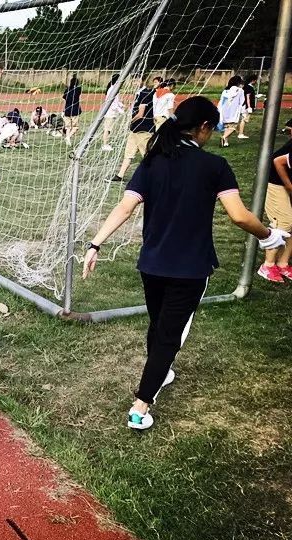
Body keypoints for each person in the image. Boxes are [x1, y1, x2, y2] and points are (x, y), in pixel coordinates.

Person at [83, 96, 289, 430]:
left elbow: (125, 206)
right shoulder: (214, 165)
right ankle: (140, 407)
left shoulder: (153, 161)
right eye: (214, 127)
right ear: (204, 127)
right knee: (168, 336)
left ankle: (159, 372)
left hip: (152, 265)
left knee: (160, 326)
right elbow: (238, 216)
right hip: (190, 269)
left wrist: (95, 244)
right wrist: (268, 235)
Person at [258, 118, 292, 282]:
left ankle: (283, 263)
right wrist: (290, 186)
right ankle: (268, 266)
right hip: (275, 181)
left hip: (287, 181)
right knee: (284, 222)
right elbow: (278, 162)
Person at [111, 75, 155, 182]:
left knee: (148, 155)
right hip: (135, 129)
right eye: (133, 80)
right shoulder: (139, 93)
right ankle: (120, 175)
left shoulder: (145, 93)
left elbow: (140, 114)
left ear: (143, 80)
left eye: (137, 80)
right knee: (128, 153)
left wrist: (129, 122)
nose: (134, 83)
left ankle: (156, 175)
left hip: (143, 129)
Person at [217, 75, 245, 147]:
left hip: (224, 110)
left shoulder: (225, 91)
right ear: (238, 83)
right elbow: (242, 102)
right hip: (234, 111)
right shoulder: (240, 91)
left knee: (227, 126)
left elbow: (221, 100)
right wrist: (243, 111)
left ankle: (226, 142)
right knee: (233, 126)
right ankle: (223, 137)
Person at [101, 74, 125, 151]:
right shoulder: (112, 89)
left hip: (112, 113)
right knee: (107, 129)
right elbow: (111, 103)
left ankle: (106, 143)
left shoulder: (115, 89)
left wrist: (121, 105)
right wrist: (120, 110)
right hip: (110, 113)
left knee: (109, 129)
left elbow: (116, 101)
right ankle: (105, 145)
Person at [62, 75, 82, 146]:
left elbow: (64, 100)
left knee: (68, 127)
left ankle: (68, 140)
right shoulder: (78, 89)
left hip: (67, 110)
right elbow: (78, 90)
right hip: (75, 111)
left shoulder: (67, 90)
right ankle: (68, 137)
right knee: (75, 127)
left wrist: (63, 110)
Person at [238, 74, 258, 140]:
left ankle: (240, 132)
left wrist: (256, 96)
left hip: (245, 105)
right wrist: (249, 107)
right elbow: (247, 97)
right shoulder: (249, 87)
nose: (256, 82)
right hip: (246, 106)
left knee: (243, 119)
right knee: (244, 119)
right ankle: (240, 133)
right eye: (256, 80)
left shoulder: (246, 87)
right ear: (253, 80)